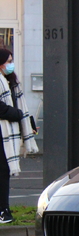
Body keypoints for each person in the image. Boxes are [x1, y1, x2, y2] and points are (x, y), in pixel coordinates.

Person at [0, 49, 38, 223]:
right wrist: (17, 114)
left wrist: (28, 125)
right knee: (2, 171)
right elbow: (4, 108)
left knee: (4, 172)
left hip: (7, 133)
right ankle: (3, 212)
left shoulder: (12, 81)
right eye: (8, 60)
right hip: (2, 133)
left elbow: (22, 105)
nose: (11, 64)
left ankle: (4, 210)